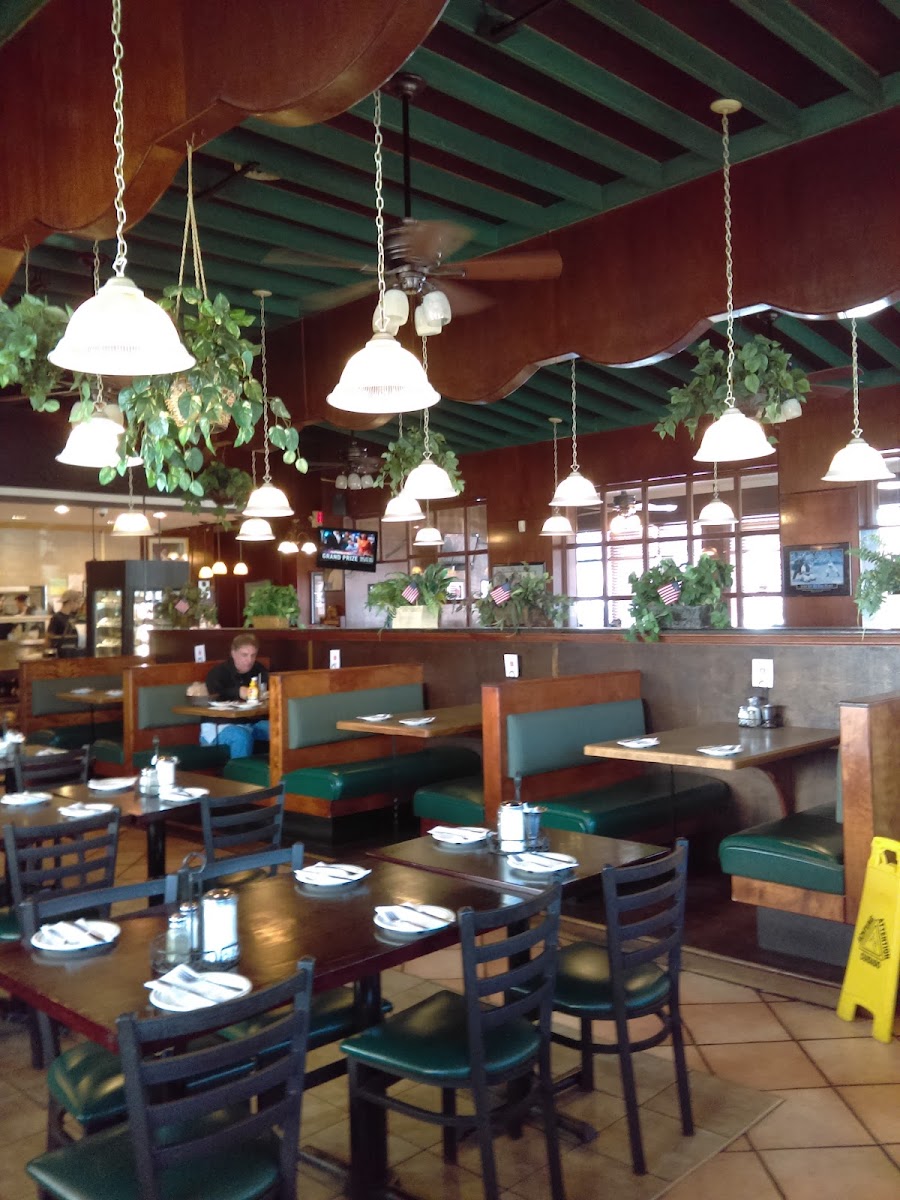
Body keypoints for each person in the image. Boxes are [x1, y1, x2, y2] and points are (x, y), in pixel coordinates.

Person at [199, 632, 269, 760]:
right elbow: (215, 695)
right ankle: (239, 771)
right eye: (244, 655)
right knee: (241, 736)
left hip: (251, 723)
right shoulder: (218, 673)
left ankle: (280, 770)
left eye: (253, 655)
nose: (249, 660)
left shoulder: (259, 670)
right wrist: (238, 692)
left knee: (278, 729)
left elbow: (267, 691)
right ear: (233, 653)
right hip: (219, 727)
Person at [45, 590, 83, 658]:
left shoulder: (73, 617)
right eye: (78, 602)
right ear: (71, 601)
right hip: (61, 656)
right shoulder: (56, 618)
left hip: (73, 654)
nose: (79, 606)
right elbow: (48, 639)